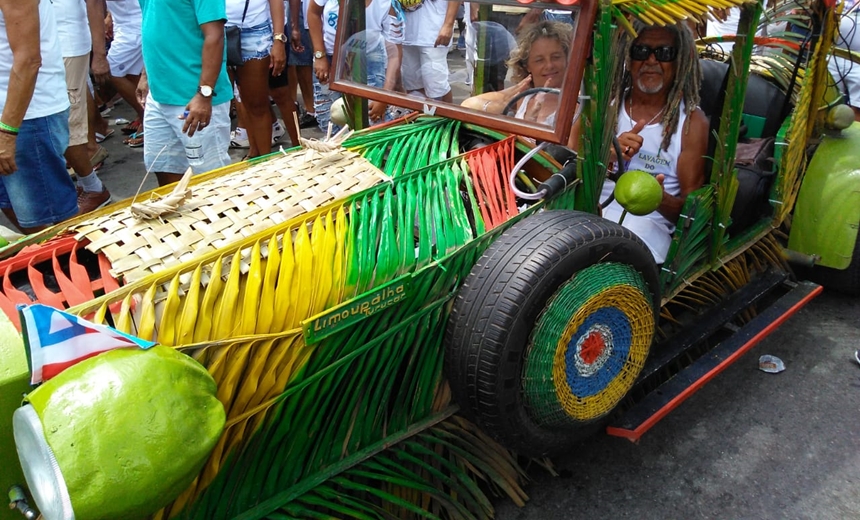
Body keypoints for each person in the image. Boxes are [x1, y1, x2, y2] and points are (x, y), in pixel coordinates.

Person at [572, 22, 708, 263]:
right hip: (588, 214)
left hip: (647, 228)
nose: (651, 61)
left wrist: (657, 197)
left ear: (679, 62)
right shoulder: (604, 107)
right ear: (628, 58)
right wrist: (606, 154)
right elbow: (566, 161)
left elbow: (691, 216)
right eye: (641, 51)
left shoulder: (691, 123)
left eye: (664, 53)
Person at [0, 0, 79, 233]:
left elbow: (29, 60)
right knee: (18, 209)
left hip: (27, 115)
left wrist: (7, 132)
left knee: (53, 220)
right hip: (14, 114)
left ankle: (79, 265)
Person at [137, 0, 233, 187]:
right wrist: (146, 74)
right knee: (165, 170)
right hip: (158, 97)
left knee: (212, 182)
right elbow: (155, 24)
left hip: (193, 98)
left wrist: (204, 95)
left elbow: (215, 36)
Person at [52, 0, 113, 214]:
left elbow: (94, 3)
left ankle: (93, 188)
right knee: (57, 121)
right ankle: (83, 185)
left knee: (67, 124)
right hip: (47, 47)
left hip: (67, 44)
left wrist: (99, 54)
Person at [461, 20, 571, 126]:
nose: (549, 65)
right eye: (539, 60)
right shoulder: (523, 98)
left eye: (556, 57)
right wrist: (509, 99)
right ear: (527, 66)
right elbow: (467, 106)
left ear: (567, 59)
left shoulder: (577, 103)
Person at [225, 0, 287, 158]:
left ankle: (266, 164)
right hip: (211, 29)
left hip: (253, 31)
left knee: (257, 104)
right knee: (216, 107)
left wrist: (278, 40)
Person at [400, 0, 460, 103]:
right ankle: (421, 118)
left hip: (433, 31)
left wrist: (448, 25)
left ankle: (446, 118)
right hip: (405, 30)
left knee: (437, 87)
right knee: (412, 85)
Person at [105, 0, 146, 144]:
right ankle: (146, 119)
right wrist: (110, 15)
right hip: (124, 23)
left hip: (133, 26)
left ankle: (147, 120)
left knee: (110, 69)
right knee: (132, 75)